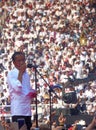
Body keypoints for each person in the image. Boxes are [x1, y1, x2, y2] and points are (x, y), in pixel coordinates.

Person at [7, 51, 36, 130]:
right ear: (14, 62)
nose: (22, 62)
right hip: (18, 110)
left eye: (23, 60)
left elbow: (26, 89)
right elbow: (17, 88)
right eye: (19, 61)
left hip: (27, 109)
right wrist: (20, 72)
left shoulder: (26, 74)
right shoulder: (11, 74)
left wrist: (32, 93)